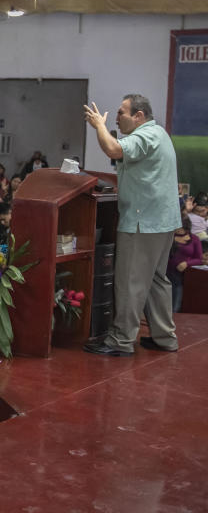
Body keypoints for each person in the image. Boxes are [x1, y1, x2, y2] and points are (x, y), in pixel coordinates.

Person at [84, 96, 181, 355]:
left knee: (131, 281)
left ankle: (121, 341)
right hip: (161, 222)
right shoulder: (159, 133)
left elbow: (114, 150)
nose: (116, 117)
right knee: (157, 281)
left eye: (121, 112)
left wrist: (99, 126)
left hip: (143, 222)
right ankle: (164, 337)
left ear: (139, 115)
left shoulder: (145, 135)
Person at [167, 217, 202, 313]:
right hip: (166, 272)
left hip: (182, 275)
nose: (178, 230)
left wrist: (187, 263)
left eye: (180, 229)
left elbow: (199, 259)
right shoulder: (169, 236)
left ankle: (175, 312)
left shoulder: (194, 239)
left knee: (176, 303)